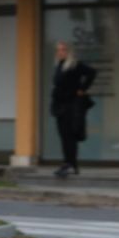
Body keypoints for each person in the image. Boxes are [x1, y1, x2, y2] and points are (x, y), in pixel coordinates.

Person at [49, 40, 96, 177]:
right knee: (64, 136)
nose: (60, 52)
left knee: (69, 137)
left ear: (69, 51)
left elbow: (92, 73)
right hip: (60, 106)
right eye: (58, 50)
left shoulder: (75, 65)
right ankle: (71, 164)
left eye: (63, 49)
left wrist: (82, 89)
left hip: (70, 106)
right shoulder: (59, 65)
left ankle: (69, 164)